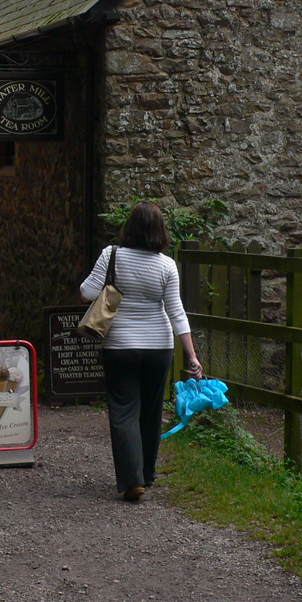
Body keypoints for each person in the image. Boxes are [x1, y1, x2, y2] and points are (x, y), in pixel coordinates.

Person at [80, 201, 203, 502]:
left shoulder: (112, 255)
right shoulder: (167, 265)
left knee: (124, 412)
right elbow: (176, 312)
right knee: (150, 412)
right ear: (160, 231)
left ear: (130, 227)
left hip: (120, 345)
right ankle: (147, 475)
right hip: (159, 347)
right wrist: (192, 355)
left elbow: (86, 292)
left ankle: (133, 480)